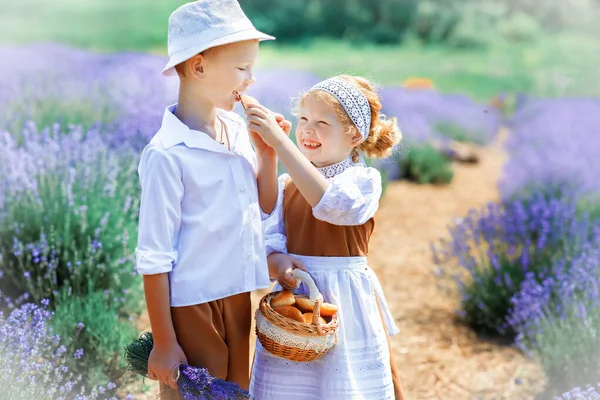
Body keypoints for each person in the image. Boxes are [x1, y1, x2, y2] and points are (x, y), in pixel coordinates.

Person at [134, 1, 290, 398]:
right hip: (193, 302)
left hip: (237, 293)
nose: (251, 79)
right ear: (199, 67)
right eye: (242, 68)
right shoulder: (167, 154)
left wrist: (268, 154)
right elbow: (154, 255)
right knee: (196, 395)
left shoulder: (237, 129)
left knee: (235, 391)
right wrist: (165, 342)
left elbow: (265, 206)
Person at [246, 75, 407, 399]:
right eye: (303, 119)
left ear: (354, 135)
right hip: (297, 305)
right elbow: (267, 229)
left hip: (345, 304)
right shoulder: (289, 182)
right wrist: (268, 155)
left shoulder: (362, 181)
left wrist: (282, 143)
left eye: (322, 122)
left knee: (343, 386)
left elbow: (331, 205)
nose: (307, 129)